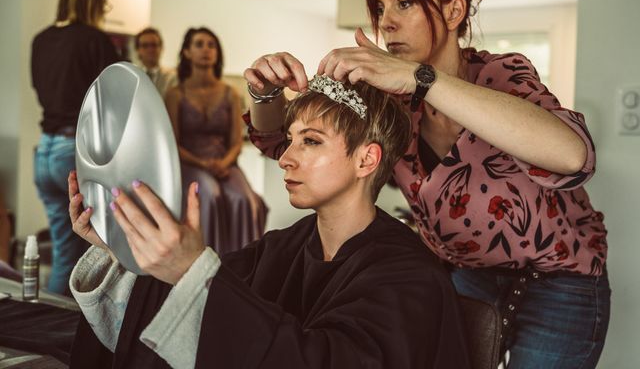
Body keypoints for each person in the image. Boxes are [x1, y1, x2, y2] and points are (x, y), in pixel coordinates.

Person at [243, 0, 610, 369]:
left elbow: (574, 156)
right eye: (379, 8)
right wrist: (266, 92)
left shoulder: (500, 77)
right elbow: (279, 141)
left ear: (454, 12)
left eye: (404, 3)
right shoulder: (395, 100)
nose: (386, 23)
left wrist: (422, 79)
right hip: (462, 277)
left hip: (558, 284)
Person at [67, 76, 470, 368]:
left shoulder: (410, 277)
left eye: (310, 141)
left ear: (367, 159)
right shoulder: (280, 248)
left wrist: (193, 272)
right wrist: (120, 242)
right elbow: (195, 315)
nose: (285, 157)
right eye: (290, 139)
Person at [31, 0, 120, 295]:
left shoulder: (41, 39)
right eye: (104, 2)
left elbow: (41, 90)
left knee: (63, 252)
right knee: (92, 252)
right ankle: (70, 336)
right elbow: (114, 96)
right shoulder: (94, 39)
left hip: (43, 152)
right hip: (74, 150)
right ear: (94, 0)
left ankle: (52, 332)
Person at [164, 27, 266, 253]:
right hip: (189, 163)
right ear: (187, 52)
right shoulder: (175, 94)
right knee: (209, 194)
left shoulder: (230, 93)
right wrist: (203, 165)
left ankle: (243, 267)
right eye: (199, 44)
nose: (206, 50)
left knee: (245, 200)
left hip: (225, 164)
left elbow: (236, 140)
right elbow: (172, 142)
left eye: (211, 45)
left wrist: (224, 162)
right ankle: (203, 266)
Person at [134, 27, 177, 96]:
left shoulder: (172, 78)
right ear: (138, 50)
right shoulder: (132, 76)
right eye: (145, 46)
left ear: (161, 48)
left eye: (153, 45)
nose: (150, 50)